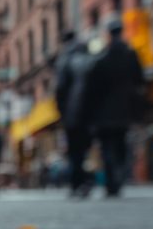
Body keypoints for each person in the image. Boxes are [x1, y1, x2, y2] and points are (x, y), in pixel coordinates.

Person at [86, 16, 146, 198]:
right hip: (124, 110)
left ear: (109, 34)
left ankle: (112, 180)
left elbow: (93, 89)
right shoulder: (130, 55)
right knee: (120, 145)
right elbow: (140, 81)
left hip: (104, 113)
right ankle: (118, 177)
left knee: (107, 148)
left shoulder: (101, 58)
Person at [55, 30, 94, 198]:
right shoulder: (89, 58)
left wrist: (61, 110)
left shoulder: (64, 60)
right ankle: (84, 181)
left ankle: (76, 183)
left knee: (74, 151)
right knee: (84, 149)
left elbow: (60, 88)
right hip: (88, 112)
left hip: (72, 113)